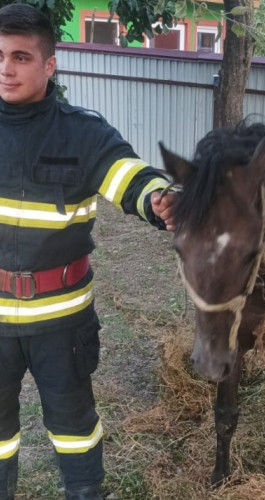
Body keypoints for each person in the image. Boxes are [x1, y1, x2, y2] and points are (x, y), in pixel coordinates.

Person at [0, 4, 176, 499]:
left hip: (62, 321)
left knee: (74, 429)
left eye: (20, 57)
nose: (6, 69)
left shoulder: (83, 133)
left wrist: (157, 198)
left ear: (48, 65)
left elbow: (129, 177)